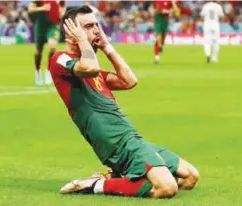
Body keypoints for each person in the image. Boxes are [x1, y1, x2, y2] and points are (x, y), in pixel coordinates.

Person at [49, 6, 199, 198]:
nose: (96, 30)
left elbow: (129, 81)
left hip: (131, 138)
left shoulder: (95, 72)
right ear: (71, 33)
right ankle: (95, 185)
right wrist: (83, 42)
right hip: (114, 142)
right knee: (166, 187)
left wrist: (106, 47)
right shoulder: (60, 59)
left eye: (97, 25)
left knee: (190, 177)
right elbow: (90, 67)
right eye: (88, 26)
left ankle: (117, 177)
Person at [28, 0, 64, 85]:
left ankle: (49, 71)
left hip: (53, 26)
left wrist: (61, 14)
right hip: (40, 27)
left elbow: (62, 8)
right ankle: (38, 72)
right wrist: (42, 8)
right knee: (38, 51)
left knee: (52, 46)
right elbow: (30, 9)